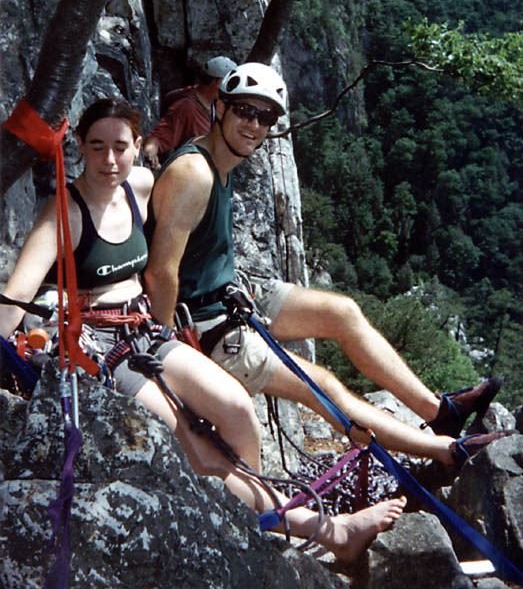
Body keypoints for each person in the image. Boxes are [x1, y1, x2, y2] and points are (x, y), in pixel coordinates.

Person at [0, 96, 407, 562]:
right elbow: (12, 305)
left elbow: (181, 228)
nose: (109, 160)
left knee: (237, 409)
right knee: (190, 442)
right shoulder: (64, 213)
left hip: (146, 328)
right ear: (78, 146)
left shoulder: (140, 184)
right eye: (96, 147)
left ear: (138, 145)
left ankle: (252, 517)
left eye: (120, 146)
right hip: (96, 347)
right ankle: (329, 531)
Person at [145, 63, 506, 467]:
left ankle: (441, 414)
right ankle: (447, 452)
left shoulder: (219, 160)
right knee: (324, 384)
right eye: (245, 111)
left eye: (265, 117)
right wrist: (166, 353)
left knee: (343, 313)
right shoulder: (194, 173)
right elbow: (160, 274)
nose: (254, 125)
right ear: (221, 108)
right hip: (205, 326)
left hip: (226, 297)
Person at [143, 56, 237, 169]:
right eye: (230, 84)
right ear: (218, 82)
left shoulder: (213, 103)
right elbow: (158, 136)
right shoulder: (185, 107)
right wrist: (150, 152)